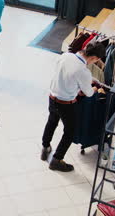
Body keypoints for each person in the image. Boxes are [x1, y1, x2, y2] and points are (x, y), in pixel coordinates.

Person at [41, 42, 105, 172]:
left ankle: (45, 148)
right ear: (94, 58)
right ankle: (57, 160)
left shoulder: (66, 56)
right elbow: (88, 93)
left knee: (52, 122)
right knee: (70, 132)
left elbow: (67, 74)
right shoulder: (83, 71)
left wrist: (86, 80)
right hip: (66, 104)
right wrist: (93, 87)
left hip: (52, 97)